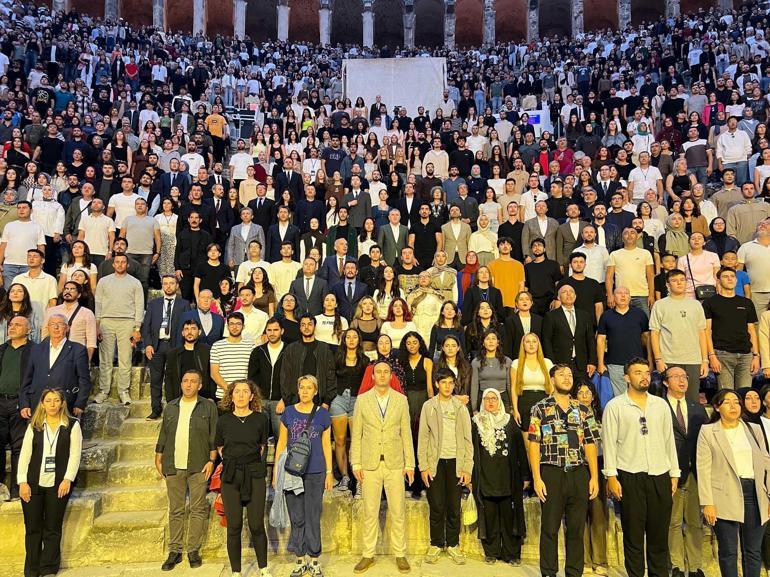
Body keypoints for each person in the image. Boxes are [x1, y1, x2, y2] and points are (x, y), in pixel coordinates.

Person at [602, 357, 680, 577]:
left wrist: (674, 473)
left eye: (646, 372)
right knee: (634, 537)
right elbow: (609, 443)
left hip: (659, 475)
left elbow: (668, 441)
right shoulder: (615, 406)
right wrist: (611, 476)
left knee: (658, 538)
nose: (644, 376)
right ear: (626, 377)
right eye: (638, 372)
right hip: (630, 476)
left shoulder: (660, 404)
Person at [529, 364, 600, 577]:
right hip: (551, 472)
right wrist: (537, 478)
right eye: (562, 375)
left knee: (576, 529)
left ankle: (574, 572)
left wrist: (594, 476)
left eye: (570, 375)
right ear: (552, 379)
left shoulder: (584, 410)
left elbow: (590, 443)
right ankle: (549, 572)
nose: (567, 378)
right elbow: (534, 443)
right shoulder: (540, 408)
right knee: (550, 528)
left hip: (578, 472)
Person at [697, 389, 770, 577]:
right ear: (717, 407)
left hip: (755, 493)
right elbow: (703, 468)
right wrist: (707, 503)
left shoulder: (753, 429)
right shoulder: (708, 432)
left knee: (753, 551)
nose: (733, 406)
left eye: (736, 402)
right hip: (724, 494)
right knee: (729, 551)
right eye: (727, 402)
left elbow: (766, 463)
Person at [350, 361, 414, 575]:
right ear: (373, 376)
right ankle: (368, 554)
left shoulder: (401, 400)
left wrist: (410, 464)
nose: (383, 375)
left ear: (391, 376)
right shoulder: (362, 400)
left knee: (397, 510)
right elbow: (356, 434)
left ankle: (400, 553)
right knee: (370, 512)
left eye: (387, 372)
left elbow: (406, 433)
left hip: (395, 463)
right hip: (370, 464)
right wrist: (356, 463)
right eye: (379, 372)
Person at [155, 369, 217, 572]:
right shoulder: (171, 407)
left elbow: (213, 436)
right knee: (176, 509)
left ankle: (193, 550)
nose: (188, 385)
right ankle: (174, 551)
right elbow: (164, 433)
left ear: (200, 385)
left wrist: (211, 459)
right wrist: (158, 455)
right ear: (181, 384)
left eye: (193, 382)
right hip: (173, 463)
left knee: (198, 509)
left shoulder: (208, 407)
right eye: (185, 381)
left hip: (199, 464)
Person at [17, 388, 82, 577]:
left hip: (58, 484)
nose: (52, 404)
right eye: (48, 401)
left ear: (62, 403)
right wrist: (22, 482)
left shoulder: (72, 425)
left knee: (52, 528)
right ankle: (31, 569)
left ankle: (49, 568)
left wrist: (67, 479)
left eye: (56, 400)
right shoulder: (34, 425)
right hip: (33, 484)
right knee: (33, 528)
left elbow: (75, 455)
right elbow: (24, 456)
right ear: (42, 404)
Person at [215, 379, 272, 577]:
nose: (240, 395)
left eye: (244, 391)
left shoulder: (260, 419)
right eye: (236, 391)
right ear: (231, 396)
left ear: (251, 396)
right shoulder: (223, 420)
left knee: (256, 524)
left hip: (254, 474)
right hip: (231, 476)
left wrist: (248, 462)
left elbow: (262, 446)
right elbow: (221, 448)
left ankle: (264, 568)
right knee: (234, 525)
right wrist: (235, 461)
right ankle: (236, 572)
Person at [418, 369, 473, 565]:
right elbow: (423, 437)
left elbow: (468, 440)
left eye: (451, 382)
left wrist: (467, 468)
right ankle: (436, 543)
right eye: (444, 382)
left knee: (453, 506)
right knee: (437, 505)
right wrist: (423, 466)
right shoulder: (428, 406)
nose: (448, 386)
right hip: (436, 462)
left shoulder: (460, 407)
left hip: (456, 462)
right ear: (436, 384)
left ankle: (453, 544)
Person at [471, 387, 529, 565]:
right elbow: (472, 452)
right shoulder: (476, 422)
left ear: (500, 401)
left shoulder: (510, 422)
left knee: (509, 516)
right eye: (487, 399)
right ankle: (492, 551)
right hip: (486, 478)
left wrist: (525, 475)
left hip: (508, 479)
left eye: (494, 398)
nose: (490, 402)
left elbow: (520, 450)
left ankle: (512, 554)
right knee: (489, 516)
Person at [663, 366, 709, 577]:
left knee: (694, 521)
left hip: (695, 471)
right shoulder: (659, 406)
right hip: (670, 472)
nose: (682, 380)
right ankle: (676, 566)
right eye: (676, 377)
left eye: (684, 376)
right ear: (665, 382)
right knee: (672, 521)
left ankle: (695, 565)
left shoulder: (697, 408)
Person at [649, 269, 709, 402]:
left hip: (693, 359)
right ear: (667, 284)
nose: (679, 283)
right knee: (670, 400)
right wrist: (658, 359)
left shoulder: (696, 305)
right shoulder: (660, 305)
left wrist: (705, 360)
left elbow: (701, 333)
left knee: (692, 400)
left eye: (682, 280)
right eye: (674, 280)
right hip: (669, 359)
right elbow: (654, 333)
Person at [93, 253, 145, 405]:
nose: (120, 264)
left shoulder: (135, 283)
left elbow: (139, 305)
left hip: (127, 322)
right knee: (106, 359)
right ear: (113, 264)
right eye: (117, 262)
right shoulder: (103, 281)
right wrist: (97, 325)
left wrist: (137, 328)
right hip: (106, 321)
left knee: (125, 359)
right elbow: (99, 304)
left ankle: (124, 391)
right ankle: (104, 391)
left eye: (123, 262)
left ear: (127, 265)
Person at [20, 314, 91, 417]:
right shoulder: (36, 349)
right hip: (37, 403)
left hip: (65, 404)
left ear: (67, 328)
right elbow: (26, 379)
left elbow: (84, 380)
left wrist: (80, 403)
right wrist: (24, 403)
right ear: (48, 328)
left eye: (60, 324)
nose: (56, 327)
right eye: (52, 324)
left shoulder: (78, 350)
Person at [141, 275, 191, 419]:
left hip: (175, 346)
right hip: (157, 346)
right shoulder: (153, 304)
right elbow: (147, 327)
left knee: (174, 378)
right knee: (156, 379)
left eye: (171, 283)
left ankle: (174, 408)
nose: (168, 286)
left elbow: (187, 327)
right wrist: (148, 344)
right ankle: (156, 409)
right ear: (162, 286)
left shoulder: (184, 304)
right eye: (165, 284)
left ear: (177, 286)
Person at [704, 267, 760, 391]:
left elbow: (751, 330)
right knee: (726, 395)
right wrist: (711, 355)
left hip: (746, 355)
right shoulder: (710, 303)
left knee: (745, 395)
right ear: (718, 281)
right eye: (725, 276)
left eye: (732, 276)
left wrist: (756, 355)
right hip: (722, 354)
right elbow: (707, 331)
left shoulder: (747, 303)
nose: (730, 279)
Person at [329, 328, 368, 496]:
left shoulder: (365, 360)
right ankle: (344, 476)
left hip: (357, 401)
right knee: (339, 440)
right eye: (348, 337)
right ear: (344, 340)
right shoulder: (336, 358)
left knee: (358, 440)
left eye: (354, 337)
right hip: (339, 399)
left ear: (359, 340)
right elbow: (330, 378)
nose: (351, 340)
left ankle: (359, 479)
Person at [596, 286, 651, 397]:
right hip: (615, 364)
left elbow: (647, 338)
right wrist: (600, 363)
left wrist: (650, 360)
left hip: (638, 364)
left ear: (630, 297)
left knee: (640, 395)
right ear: (613, 297)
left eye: (626, 293)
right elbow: (601, 340)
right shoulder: (606, 316)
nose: (623, 296)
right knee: (620, 398)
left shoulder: (639, 314)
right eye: (619, 293)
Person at [0, 315, 32, 500]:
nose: (12, 327)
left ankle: (17, 488)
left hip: (20, 403)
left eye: (17, 325)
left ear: (28, 330)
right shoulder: (2, 349)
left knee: (19, 447)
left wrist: (27, 401)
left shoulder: (34, 351)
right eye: (10, 325)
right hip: (1, 402)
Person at [542, 284, 597, 381]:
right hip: (560, 364)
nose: (568, 294)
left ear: (575, 296)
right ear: (558, 297)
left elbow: (590, 340)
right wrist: (552, 364)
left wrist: (592, 361)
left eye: (571, 291)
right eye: (564, 292)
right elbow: (546, 340)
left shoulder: (585, 315)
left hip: (581, 365)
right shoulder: (551, 316)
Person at [280, 314, 337, 408]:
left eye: (310, 324)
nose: (306, 327)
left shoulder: (324, 348)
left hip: (319, 401)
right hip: (295, 401)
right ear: (300, 327)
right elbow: (285, 376)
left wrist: (327, 401)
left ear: (315, 326)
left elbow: (331, 376)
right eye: (303, 324)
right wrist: (288, 401)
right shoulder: (291, 349)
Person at [248, 318, 286, 438]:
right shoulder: (257, 351)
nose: (272, 333)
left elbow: (293, 378)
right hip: (261, 401)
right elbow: (252, 379)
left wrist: (285, 399)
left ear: (282, 331)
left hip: (280, 402)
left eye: (276, 330)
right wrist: (256, 400)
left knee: (281, 439)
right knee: (259, 439)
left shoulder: (290, 350)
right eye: (269, 330)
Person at [511, 332, 553, 436]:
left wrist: (550, 406)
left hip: (544, 403)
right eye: (528, 341)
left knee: (545, 440)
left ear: (538, 344)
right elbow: (513, 388)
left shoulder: (547, 363)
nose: (531, 344)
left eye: (534, 342)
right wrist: (515, 410)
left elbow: (553, 387)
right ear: (523, 345)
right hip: (525, 404)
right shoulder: (516, 363)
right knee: (528, 444)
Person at [210, 312, 255, 400]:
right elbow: (214, 373)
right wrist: (230, 391)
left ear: (243, 326)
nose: (235, 327)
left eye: (238, 324)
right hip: (223, 396)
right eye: (232, 324)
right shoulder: (217, 346)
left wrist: (240, 392)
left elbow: (252, 373)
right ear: (227, 327)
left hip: (244, 397)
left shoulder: (251, 346)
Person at [165, 319, 213, 401]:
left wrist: (211, 397)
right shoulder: (173, 354)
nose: (189, 332)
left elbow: (211, 375)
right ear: (182, 333)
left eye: (193, 329)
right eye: (186, 329)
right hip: (179, 398)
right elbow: (169, 378)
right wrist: (170, 400)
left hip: (203, 398)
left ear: (199, 332)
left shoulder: (207, 351)